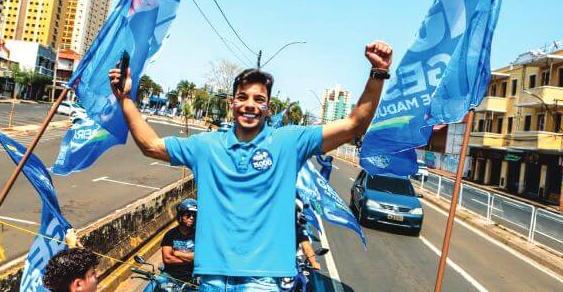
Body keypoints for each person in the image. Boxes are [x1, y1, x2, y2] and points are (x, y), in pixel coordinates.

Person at [108, 41, 392, 291]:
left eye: (259, 99)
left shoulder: (289, 141)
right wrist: (125, 99)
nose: (250, 105)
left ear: (268, 106)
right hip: (213, 277)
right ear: (232, 103)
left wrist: (378, 73)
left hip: (265, 280)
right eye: (243, 97)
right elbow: (151, 145)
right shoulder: (205, 145)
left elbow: (355, 123)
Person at [160, 198, 198, 284]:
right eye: (188, 215)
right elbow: (167, 258)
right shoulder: (170, 235)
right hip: (169, 276)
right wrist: (190, 259)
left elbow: (198, 257)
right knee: (153, 285)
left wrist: (178, 253)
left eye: (194, 215)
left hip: (190, 278)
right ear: (181, 216)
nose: (191, 218)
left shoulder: (199, 236)